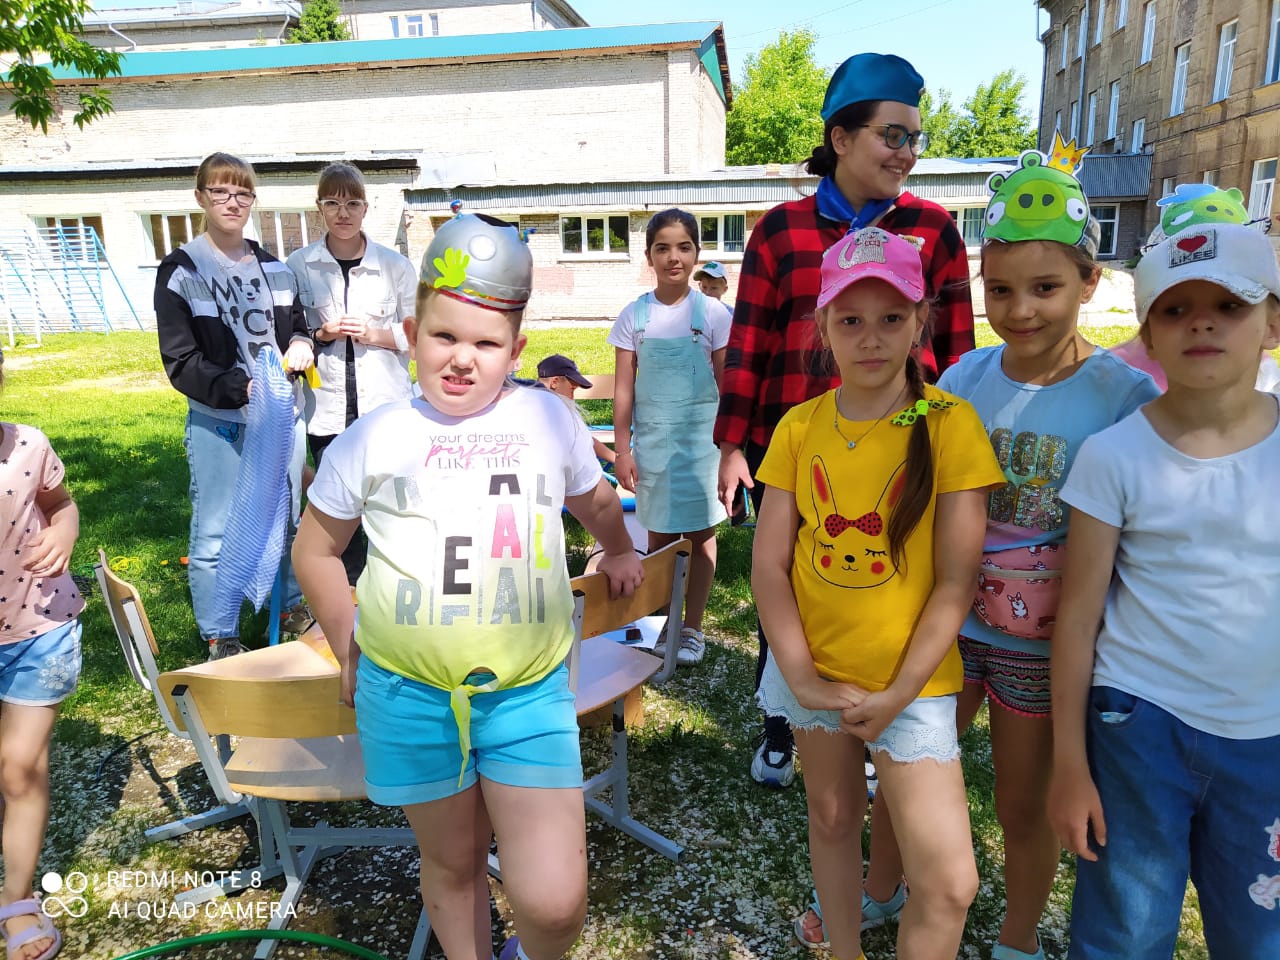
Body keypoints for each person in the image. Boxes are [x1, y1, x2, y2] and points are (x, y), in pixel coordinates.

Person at [292, 214, 644, 960]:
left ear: (516, 350)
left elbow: (595, 498)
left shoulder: (547, 417)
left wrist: (617, 548)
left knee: (555, 902)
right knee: (452, 865)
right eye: (443, 336)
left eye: (486, 344)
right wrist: (347, 639)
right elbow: (316, 550)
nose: (461, 359)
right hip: (408, 697)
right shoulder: (372, 437)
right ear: (411, 333)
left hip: (528, 693)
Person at [858, 136, 1160, 960]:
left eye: (1045, 288)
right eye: (1000, 289)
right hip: (946, 630)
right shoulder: (964, 379)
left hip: (1045, 650)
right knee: (906, 774)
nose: (1020, 309)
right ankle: (881, 890)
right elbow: (909, 469)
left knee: (1021, 806)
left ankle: (1019, 939)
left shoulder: (1127, 397)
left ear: (1091, 283)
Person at [715, 51, 976, 791]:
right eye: (893, 135)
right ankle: (787, 720)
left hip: (903, 453)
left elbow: (958, 353)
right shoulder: (779, 231)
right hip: (796, 448)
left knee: (890, 578)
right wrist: (732, 446)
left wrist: (954, 445)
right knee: (791, 577)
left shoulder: (934, 230)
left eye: (914, 138)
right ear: (841, 137)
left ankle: (878, 717)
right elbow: (750, 342)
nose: (907, 152)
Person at [754, 226, 1004, 960]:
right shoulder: (800, 427)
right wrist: (801, 677)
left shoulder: (949, 424)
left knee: (949, 884)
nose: (870, 338)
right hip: (813, 671)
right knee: (832, 819)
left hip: (914, 687)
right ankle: (845, 949)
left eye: (891, 318)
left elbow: (956, 581)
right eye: (851, 319)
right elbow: (769, 567)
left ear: (920, 320)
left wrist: (897, 694)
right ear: (823, 324)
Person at [1049, 221, 1280, 958]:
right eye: (1176, 309)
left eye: (1230, 305)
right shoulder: (1113, 457)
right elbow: (1076, 619)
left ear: (1273, 322)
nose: (1202, 323)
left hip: (1267, 738)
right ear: (1147, 333)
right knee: (1124, 934)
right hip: (1139, 730)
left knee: (1260, 935)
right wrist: (1070, 765)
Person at [156, 152, 314, 660]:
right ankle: (220, 633)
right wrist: (237, 388)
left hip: (281, 417)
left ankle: (289, 607)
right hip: (221, 420)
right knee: (216, 527)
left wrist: (303, 345)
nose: (232, 202)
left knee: (286, 519)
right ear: (200, 197)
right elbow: (181, 360)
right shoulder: (182, 270)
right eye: (220, 191)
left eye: (242, 193)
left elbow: (298, 328)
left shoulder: (275, 268)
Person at [610, 208, 732, 666]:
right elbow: (624, 391)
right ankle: (664, 624)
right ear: (649, 256)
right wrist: (623, 451)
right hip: (655, 447)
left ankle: (693, 627)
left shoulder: (713, 314)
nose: (673, 257)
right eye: (662, 248)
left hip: (702, 448)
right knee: (660, 536)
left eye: (683, 247)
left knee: (700, 535)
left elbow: (727, 386)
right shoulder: (634, 316)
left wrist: (730, 449)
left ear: (696, 254)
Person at [287, 161, 417, 587]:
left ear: (366, 208)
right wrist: (321, 333)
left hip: (385, 410)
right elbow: (288, 333)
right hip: (325, 412)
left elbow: (422, 334)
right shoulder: (299, 265)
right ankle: (345, 593)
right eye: (332, 203)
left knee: (392, 507)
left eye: (352, 204)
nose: (342, 213)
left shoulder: (395, 266)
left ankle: (395, 586)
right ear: (319, 208)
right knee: (337, 512)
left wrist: (375, 334)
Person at [0, 352, 83, 960]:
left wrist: (64, 529)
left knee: (18, 769)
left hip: (39, 627)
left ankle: (17, 899)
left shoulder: (29, 446)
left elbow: (61, 503)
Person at [536, 354, 616, 465]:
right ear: (554, 382)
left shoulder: (556, 407)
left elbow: (585, 439)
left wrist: (616, 458)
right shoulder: (547, 412)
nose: (572, 397)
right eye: (572, 389)